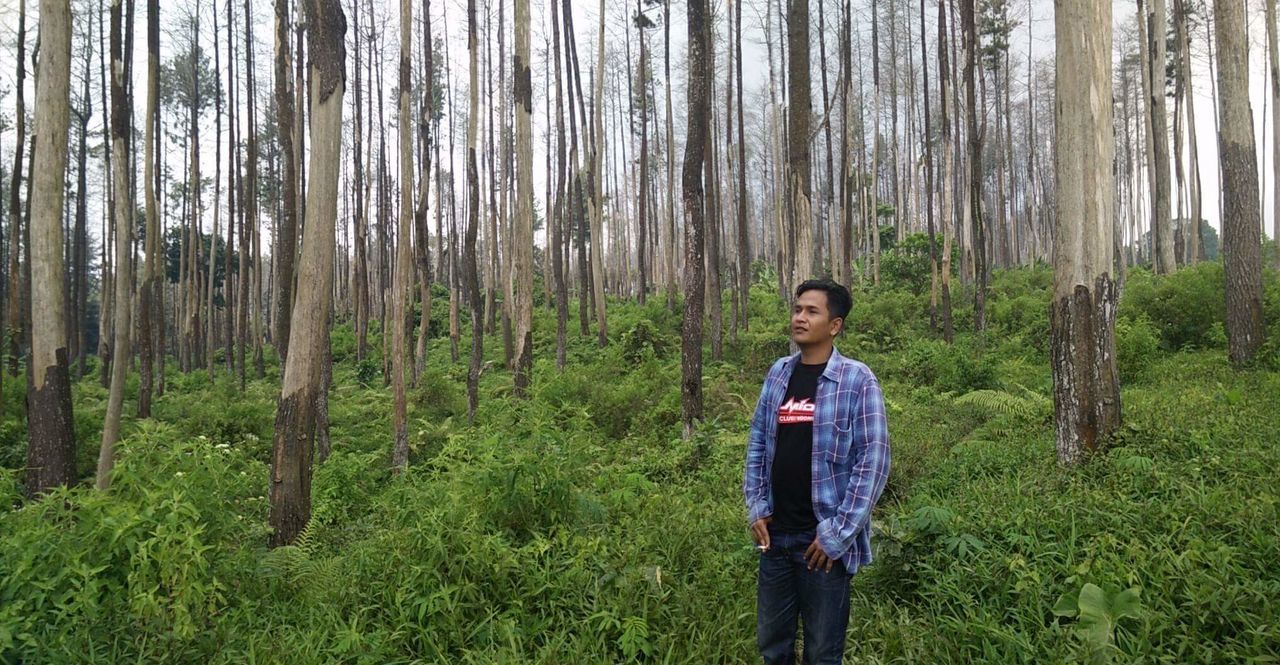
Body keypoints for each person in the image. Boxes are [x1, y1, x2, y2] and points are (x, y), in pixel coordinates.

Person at [743, 279, 891, 665]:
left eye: (812, 311)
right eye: (797, 309)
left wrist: (836, 535)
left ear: (835, 325)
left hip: (821, 545)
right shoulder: (778, 373)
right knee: (772, 647)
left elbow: (873, 463)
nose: (800, 318)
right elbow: (758, 443)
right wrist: (756, 506)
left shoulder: (858, 381)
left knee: (823, 652)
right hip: (774, 538)